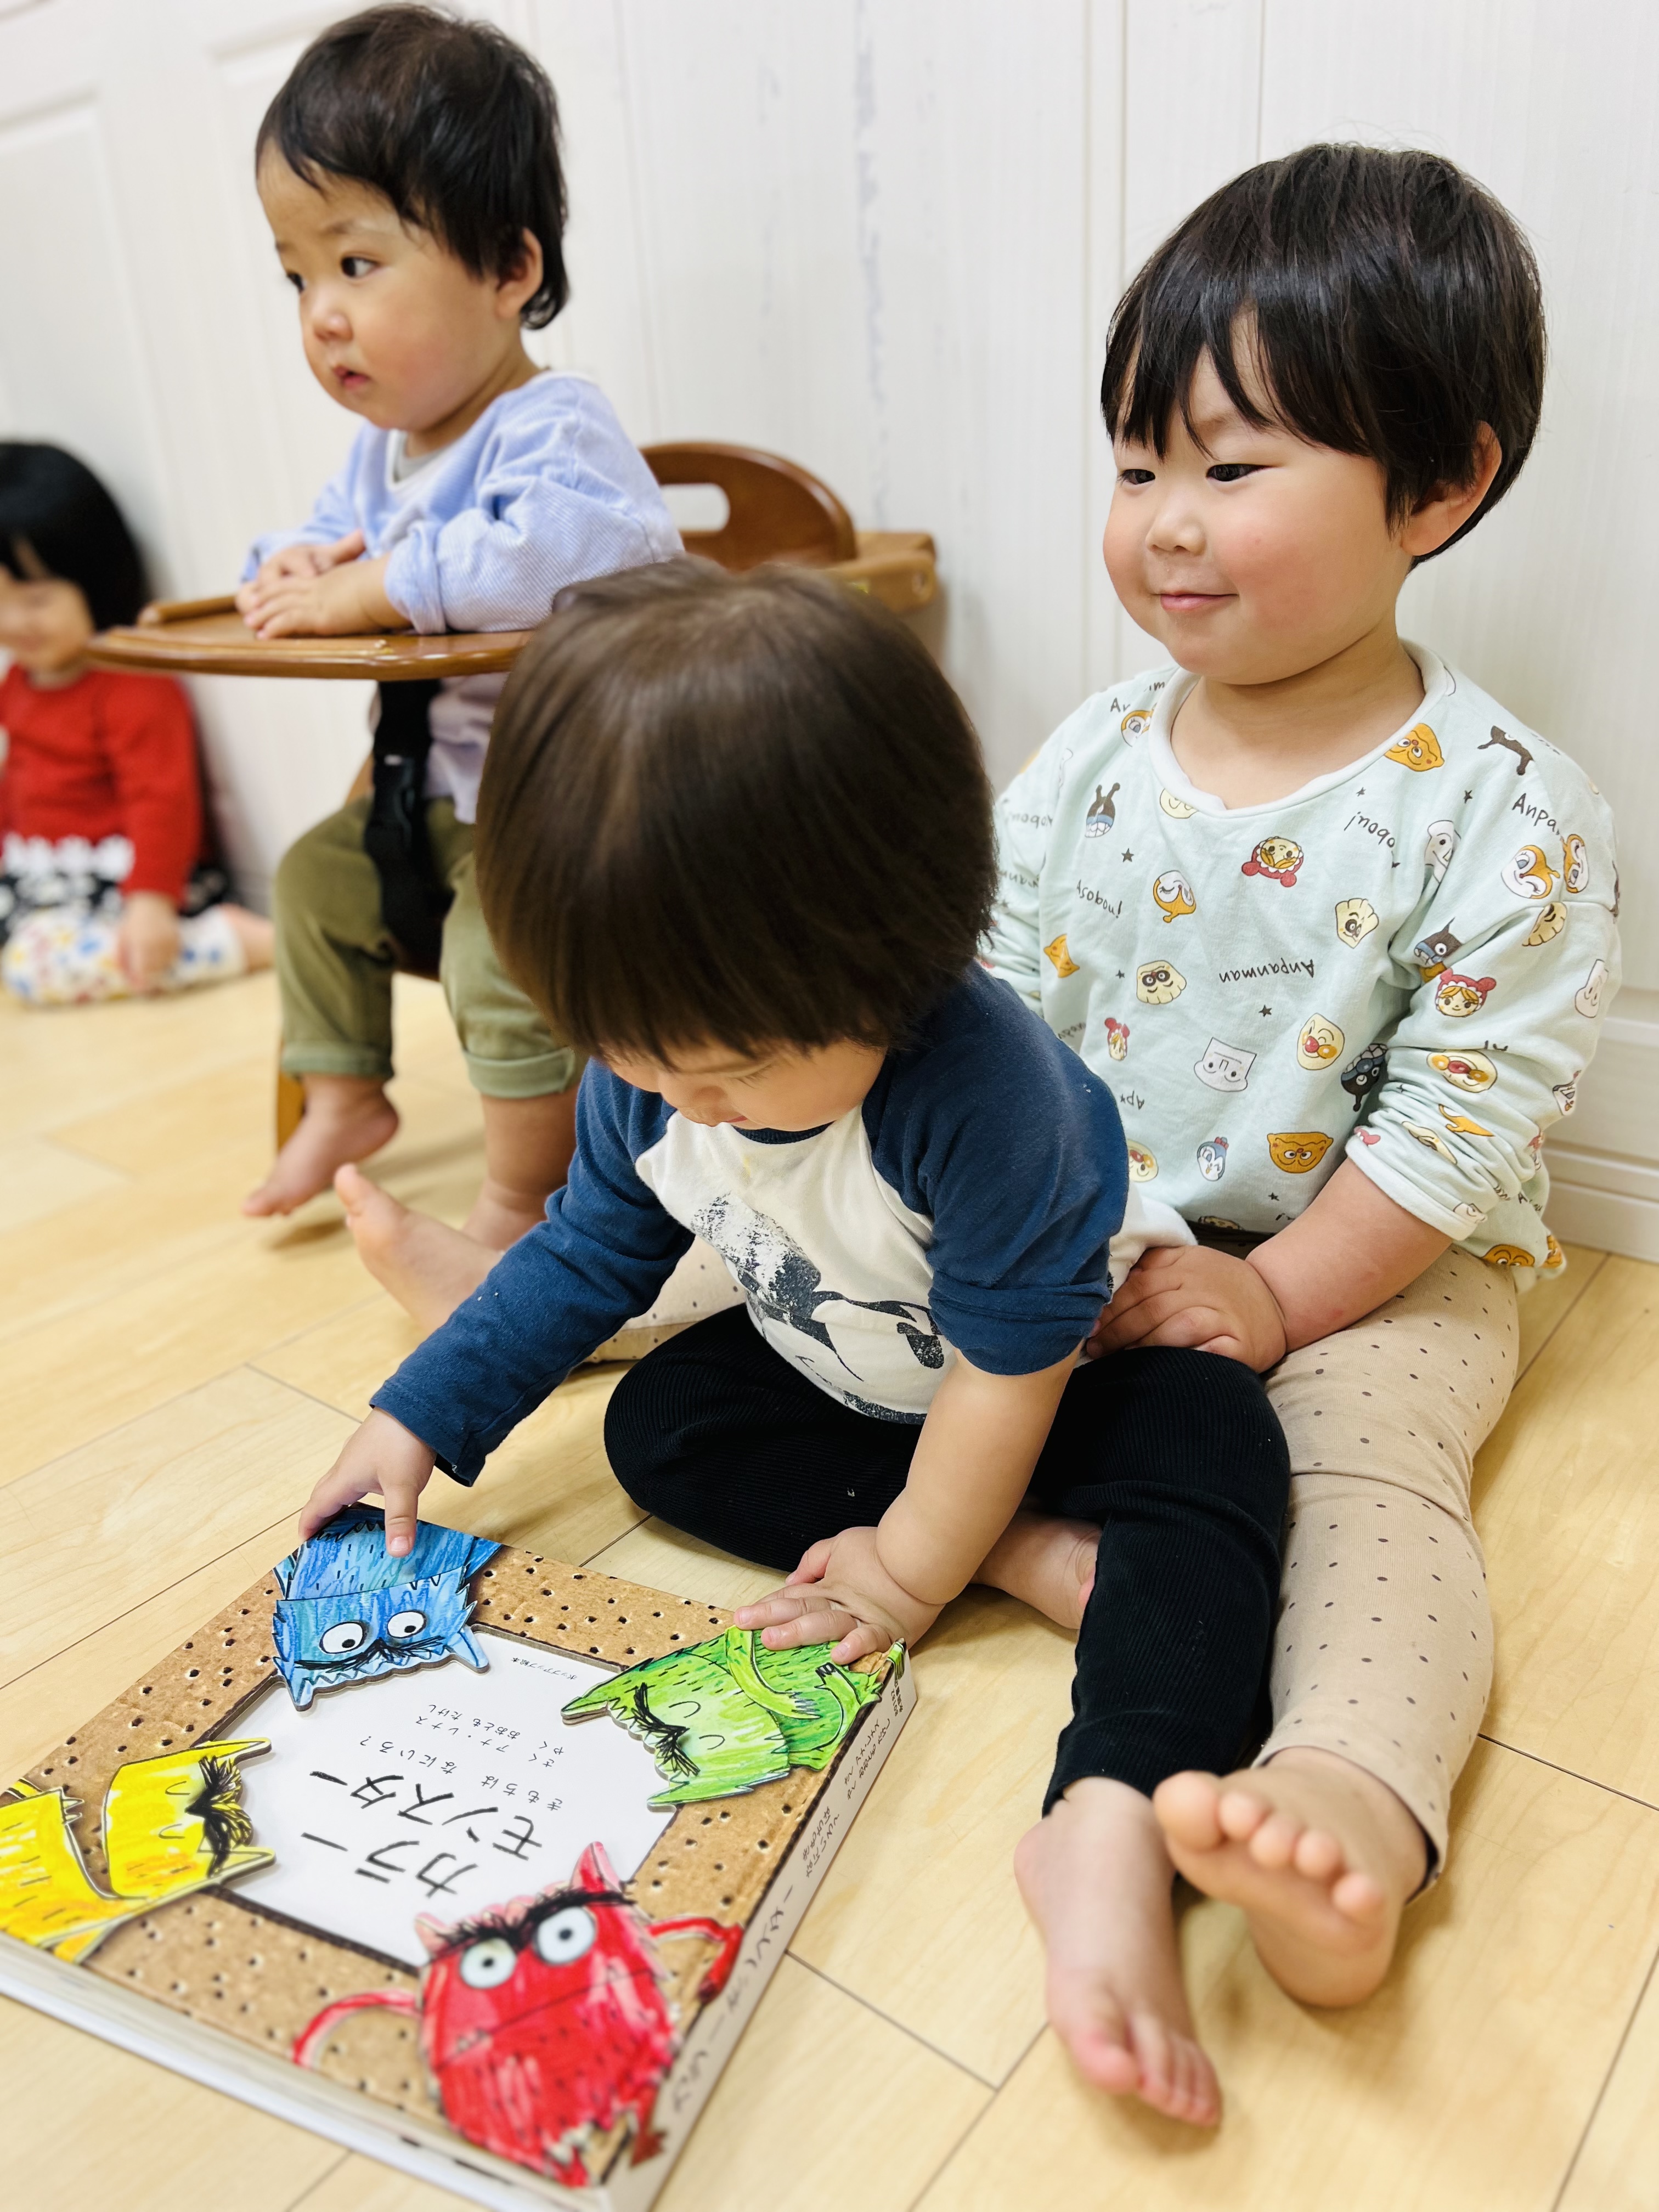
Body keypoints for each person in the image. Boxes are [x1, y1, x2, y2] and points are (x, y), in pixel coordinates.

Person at [300, 561, 1291, 2128]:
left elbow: (1004, 1377)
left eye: (731, 1065)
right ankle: (1023, 1554)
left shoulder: (996, 1107)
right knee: (661, 1421)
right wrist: (418, 1416)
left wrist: (901, 1580)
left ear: (900, 964)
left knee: (1221, 1452)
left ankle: (1106, 1819)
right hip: (856, 1384)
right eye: (625, 1049)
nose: (673, 1095)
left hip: (1058, 1381)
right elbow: (590, 1252)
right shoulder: (652, 1064)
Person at [981, 144, 1620, 2065]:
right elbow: (993, 1006)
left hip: (1376, 1270)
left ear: (1439, 485)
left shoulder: (1508, 812)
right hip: (1095, 1222)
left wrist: (1273, 1297)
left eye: (1231, 467)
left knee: (1363, 1486)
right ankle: (568, 1290)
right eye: (1134, 466)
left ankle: (1347, 1803)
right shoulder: (1090, 755)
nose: (1164, 524)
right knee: (806, 1276)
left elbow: (1451, 1133)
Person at [236, 5, 680, 1246]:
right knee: (309, 883)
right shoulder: (378, 458)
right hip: (427, 802)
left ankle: (523, 1193)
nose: (321, 313)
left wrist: (376, 586)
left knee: (499, 957)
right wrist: (296, 564)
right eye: (296, 276)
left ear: (507, 271)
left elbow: (553, 556)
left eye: (355, 264)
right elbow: (316, 556)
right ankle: (348, 1097)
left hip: (569, 806)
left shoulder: (555, 429)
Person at [0, 443, 272, 1005]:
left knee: (33, 967)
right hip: (42, 876)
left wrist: (151, 901)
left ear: (95, 578)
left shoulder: (133, 685)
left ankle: (231, 943)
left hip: (128, 881)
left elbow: (162, 799)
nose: (13, 622)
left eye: (37, 600)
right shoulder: (18, 684)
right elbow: (18, 785)